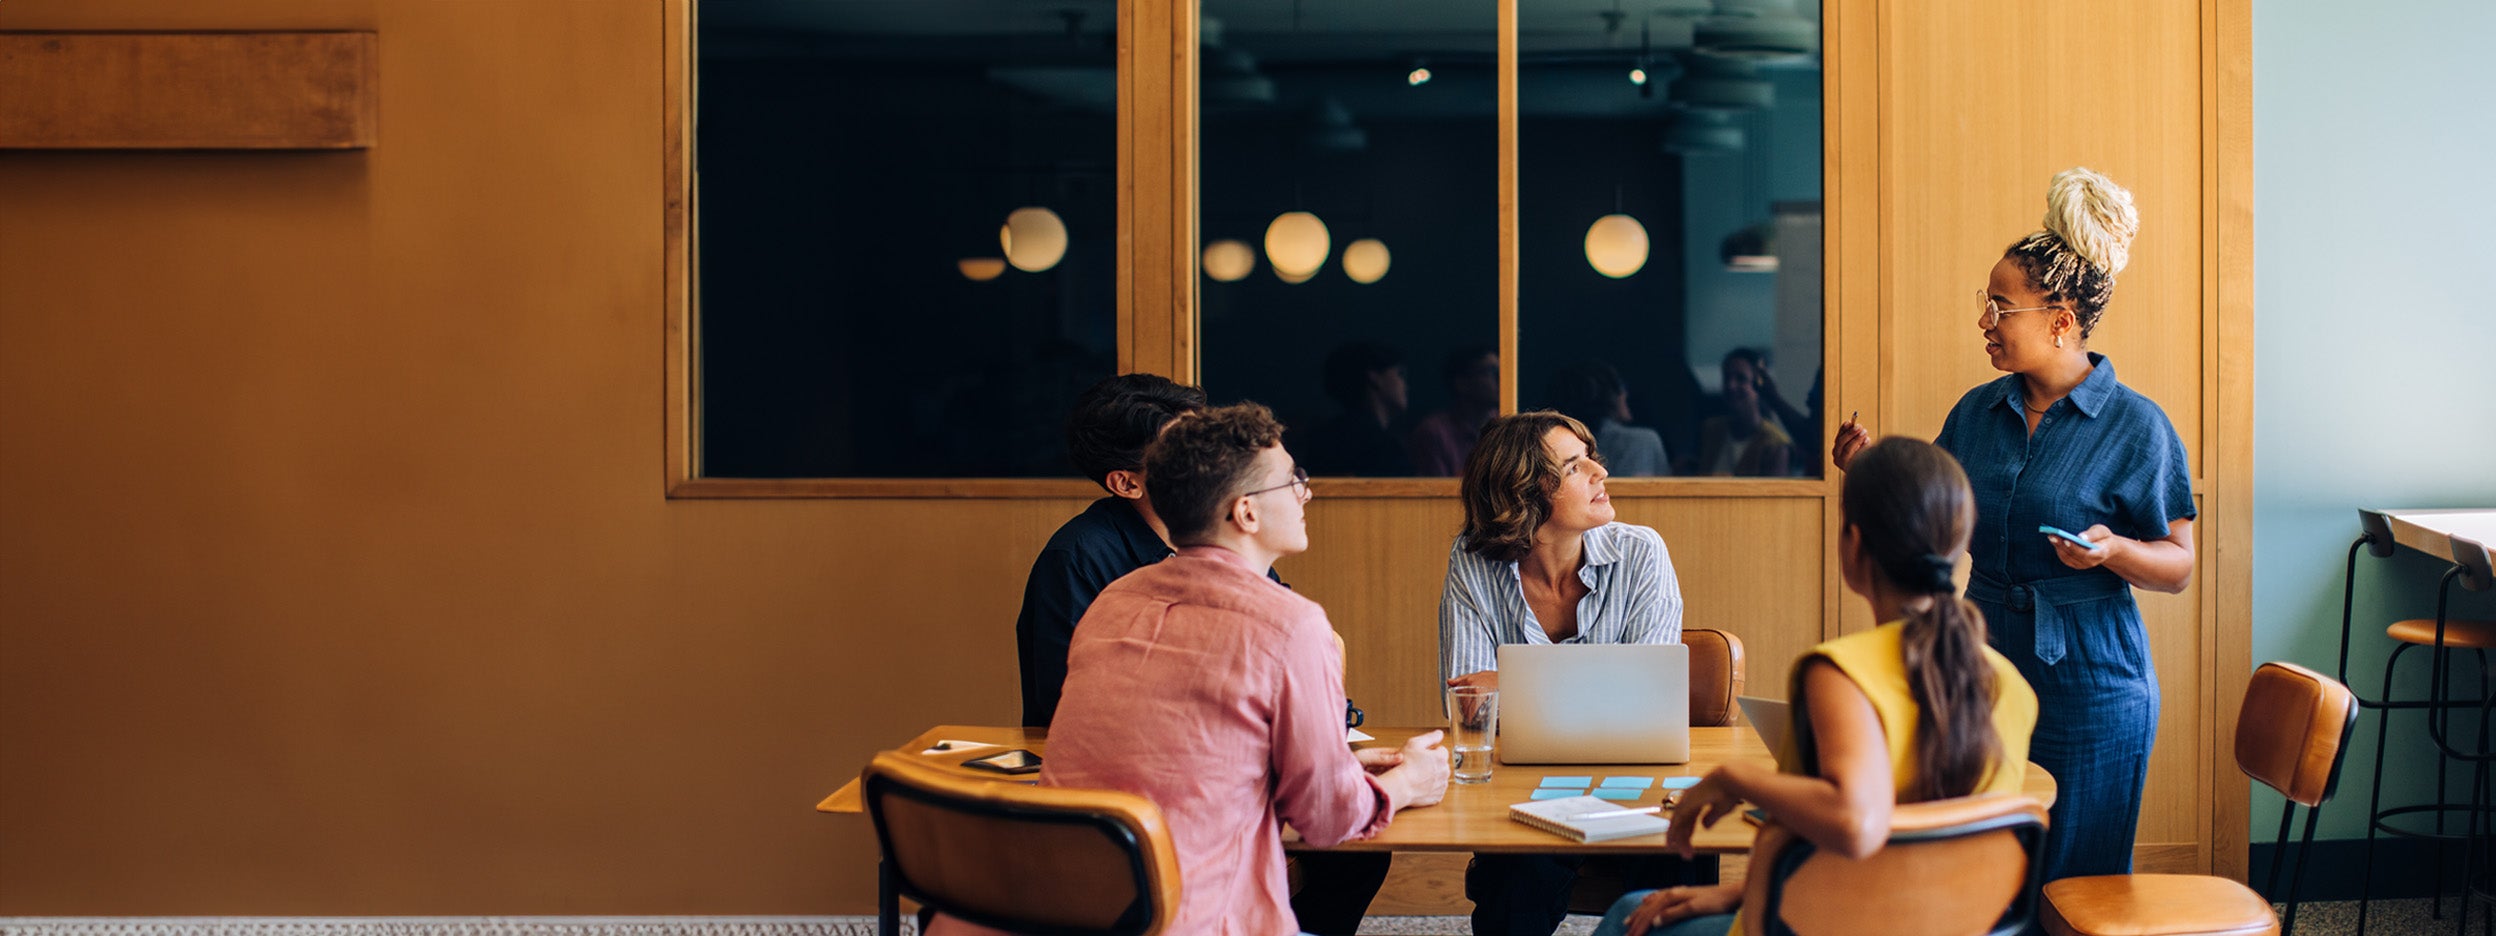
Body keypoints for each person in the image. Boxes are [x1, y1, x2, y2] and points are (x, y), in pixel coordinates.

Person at [949, 403, 1453, 936]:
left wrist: (1338, 768)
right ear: (1247, 513)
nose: (1307, 492)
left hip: (1061, 906)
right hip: (1185, 916)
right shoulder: (1291, 623)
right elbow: (1327, 820)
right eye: (1293, 481)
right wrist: (1407, 782)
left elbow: (1184, 758)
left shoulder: (1114, 601)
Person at [1832, 167, 2194, 883]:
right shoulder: (1977, 411)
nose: (1985, 322)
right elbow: (1929, 516)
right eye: (1986, 303)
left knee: (2074, 876)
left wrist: (2115, 550)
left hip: (2094, 681)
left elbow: (2179, 563)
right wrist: (1870, 469)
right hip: (1979, 663)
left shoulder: (2138, 426)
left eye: (2002, 307)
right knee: (1984, 866)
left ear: (2061, 321)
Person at [1590, 436, 2040, 936]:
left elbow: (1856, 824)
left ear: (1852, 544)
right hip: (1931, 920)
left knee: (1626, 917)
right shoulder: (2008, 683)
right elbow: (1912, 851)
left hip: (1824, 922)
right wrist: (1732, 894)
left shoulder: (1840, 673)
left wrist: (1735, 778)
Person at [1441, 411, 1687, 936]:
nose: (1601, 472)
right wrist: (1598, 685)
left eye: (1591, 457)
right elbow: (1469, 704)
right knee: (1514, 882)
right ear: (1523, 493)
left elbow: (1648, 695)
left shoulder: (1641, 552)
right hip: (1522, 787)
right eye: (1575, 466)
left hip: (1633, 781)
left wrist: (1511, 681)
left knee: (1678, 853)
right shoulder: (1472, 560)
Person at [1296, 341, 1414, 476]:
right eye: (1400, 374)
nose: (1405, 385)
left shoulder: (1324, 438)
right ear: (1374, 377)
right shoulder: (1382, 448)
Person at [1548, 359, 1672, 477]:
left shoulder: (1551, 444)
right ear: (1612, 396)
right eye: (1621, 387)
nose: (1625, 394)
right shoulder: (1642, 441)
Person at [1693, 349, 1792, 477]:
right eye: (1726, 378)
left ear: (1758, 387)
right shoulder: (1710, 430)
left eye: (1741, 378)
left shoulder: (1775, 445)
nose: (1731, 385)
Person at [1408, 345, 1501, 476]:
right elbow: (1435, 491)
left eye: (1500, 371)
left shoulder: (1504, 427)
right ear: (1462, 384)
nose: (1500, 379)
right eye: (1490, 372)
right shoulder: (1434, 432)